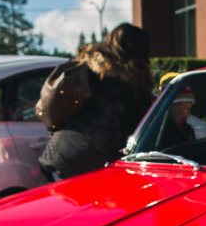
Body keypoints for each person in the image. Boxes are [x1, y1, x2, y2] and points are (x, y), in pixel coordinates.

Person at [40, 23, 154, 180]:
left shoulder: (87, 67)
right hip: (94, 164)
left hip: (60, 153)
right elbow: (144, 127)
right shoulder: (131, 82)